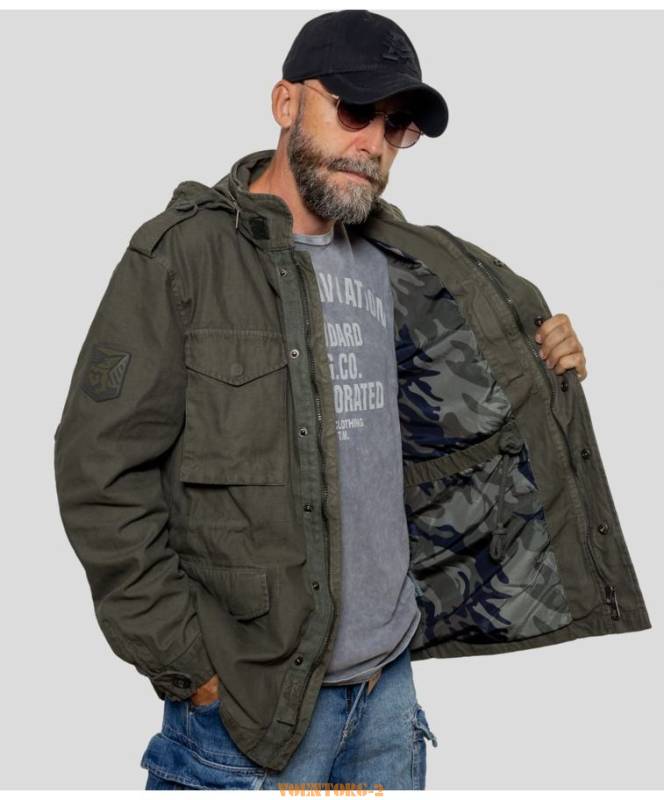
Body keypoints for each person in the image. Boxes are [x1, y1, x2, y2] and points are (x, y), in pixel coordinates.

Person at [54, 9, 651, 793]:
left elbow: (456, 418)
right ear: (285, 102)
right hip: (250, 711)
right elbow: (99, 474)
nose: (373, 141)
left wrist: (545, 357)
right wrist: (192, 670)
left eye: (396, 125)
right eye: (355, 109)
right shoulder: (183, 259)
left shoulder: (406, 262)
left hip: (388, 697)